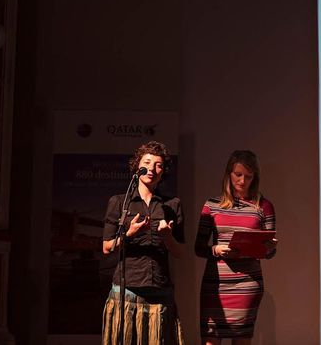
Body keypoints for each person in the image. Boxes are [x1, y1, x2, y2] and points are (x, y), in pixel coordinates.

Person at [101, 140, 185, 345]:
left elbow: (179, 252)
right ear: (137, 166)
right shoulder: (119, 202)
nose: (152, 169)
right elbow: (107, 247)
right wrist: (129, 234)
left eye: (158, 165)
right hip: (127, 291)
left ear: (163, 171)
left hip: (159, 292)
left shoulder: (172, 204)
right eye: (147, 163)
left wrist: (167, 236)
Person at [195, 150, 278, 344]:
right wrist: (216, 250)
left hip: (247, 284)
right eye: (238, 174)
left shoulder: (264, 206)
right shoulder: (212, 205)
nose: (242, 181)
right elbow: (198, 248)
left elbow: (269, 253)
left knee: (241, 340)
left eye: (248, 176)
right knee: (210, 339)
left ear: (255, 177)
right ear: (229, 174)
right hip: (216, 283)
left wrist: (269, 247)